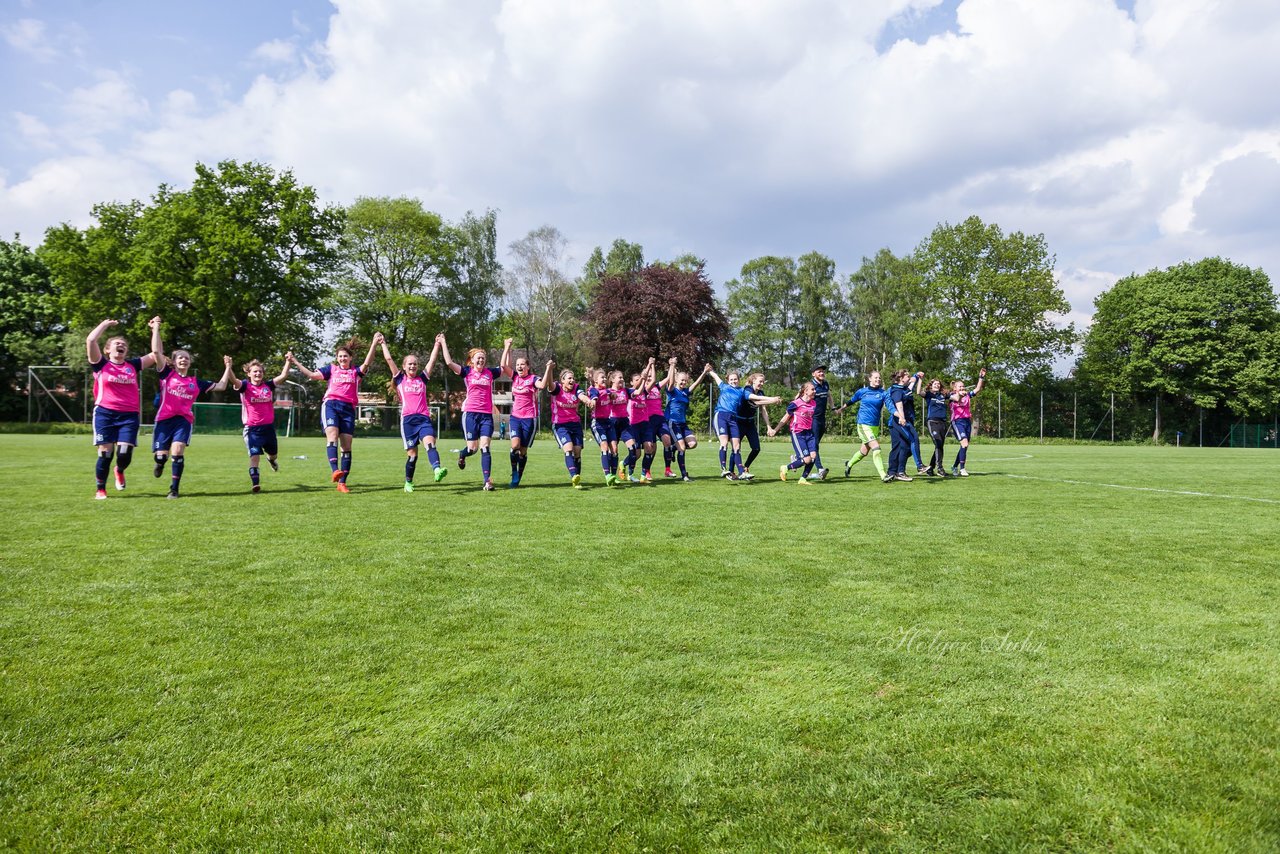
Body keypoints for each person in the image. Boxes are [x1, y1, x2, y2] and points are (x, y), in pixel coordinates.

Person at [150, 323, 234, 498]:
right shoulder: (167, 374)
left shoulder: (196, 382)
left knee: (178, 451)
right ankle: (160, 463)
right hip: (164, 420)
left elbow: (221, 385)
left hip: (183, 421)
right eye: (180, 357)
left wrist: (228, 367)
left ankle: (174, 489)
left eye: (187, 357)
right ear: (174, 361)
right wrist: (156, 329)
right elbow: (157, 352)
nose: (184, 359)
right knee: (161, 457)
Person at [290, 334, 382, 493]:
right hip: (331, 405)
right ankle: (335, 470)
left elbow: (368, 361)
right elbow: (312, 375)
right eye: (340, 356)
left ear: (350, 357)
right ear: (337, 358)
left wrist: (374, 343)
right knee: (332, 437)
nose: (342, 358)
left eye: (345, 356)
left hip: (348, 409)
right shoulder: (331, 369)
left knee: (346, 446)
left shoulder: (355, 372)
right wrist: (295, 362)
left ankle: (342, 483)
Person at [86, 316, 162, 499]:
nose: (121, 346)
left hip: (129, 415)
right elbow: (90, 340)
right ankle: (100, 489)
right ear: (107, 350)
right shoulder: (101, 364)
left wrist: (155, 330)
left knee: (124, 454)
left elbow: (156, 354)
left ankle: (119, 470)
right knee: (105, 454)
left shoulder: (133, 366)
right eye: (117, 343)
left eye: (124, 345)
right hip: (105, 413)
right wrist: (104, 324)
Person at [441, 335, 513, 491]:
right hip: (470, 414)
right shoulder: (466, 372)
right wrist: (443, 342)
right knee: (472, 449)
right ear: (471, 360)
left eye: (483, 358)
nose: (481, 360)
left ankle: (487, 481)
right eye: (478, 358)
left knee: (485, 447)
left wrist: (507, 347)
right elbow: (449, 362)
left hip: (486, 415)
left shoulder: (490, 373)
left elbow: (503, 367)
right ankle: (462, 454)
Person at [381, 335, 446, 492]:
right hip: (408, 421)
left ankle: (437, 470)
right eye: (410, 364)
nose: (413, 366)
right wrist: (383, 343)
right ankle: (408, 482)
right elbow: (389, 360)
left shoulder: (422, 379)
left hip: (423, 419)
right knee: (412, 455)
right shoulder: (399, 380)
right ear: (404, 366)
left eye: (415, 364)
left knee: (430, 444)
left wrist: (437, 344)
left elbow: (431, 361)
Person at [706, 366, 781, 480]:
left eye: (735, 379)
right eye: (731, 379)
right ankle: (725, 469)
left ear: (739, 379)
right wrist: (710, 371)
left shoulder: (742, 391)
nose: (733, 381)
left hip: (736, 419)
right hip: (723, 416)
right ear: (728, 380)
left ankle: (742, 471)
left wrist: (772, 401)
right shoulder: (725, 387)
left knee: (737, 446)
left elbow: (755, 399)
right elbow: (716, 377)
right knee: (725, 443)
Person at [230, 354, 291, 492]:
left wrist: (288, 361)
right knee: (255, 456)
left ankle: (271, 460)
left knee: (273, 454)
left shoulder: (268, 386)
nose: (258, 373)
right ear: (249, 373)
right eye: (255, 371)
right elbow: (233, 380)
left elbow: (283, 375)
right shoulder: (245, 386)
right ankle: (255, 483)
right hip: (252, 429)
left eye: (260, 371)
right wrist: (229, 367)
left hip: (268, 429)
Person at [542, 362, 592, 488]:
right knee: (568, 449)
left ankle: (577, 479)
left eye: (573, 378)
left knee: (577, 451)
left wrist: (588, 401)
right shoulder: (557, 388)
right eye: (569, 378)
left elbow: (582, 396)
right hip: (560, 425)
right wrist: (550, 369)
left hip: (575, 424)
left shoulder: (576, 388)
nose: (572, 380)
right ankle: (573, 475)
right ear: (562, 380)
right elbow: (549, 384)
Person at [835, 371, 889, 481]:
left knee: (864, 452)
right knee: (876, 448)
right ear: (870, 379)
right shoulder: (862, 391)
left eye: (879, 378)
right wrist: (841, 409)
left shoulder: (883, 393)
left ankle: (849, 464)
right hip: (863, 424)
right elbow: (851, 401)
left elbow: (889, 405)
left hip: (875, 426)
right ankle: (883, 475)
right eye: (875, 377)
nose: (878, 379)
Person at [663, 360, 709, 482]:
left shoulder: (685, 392)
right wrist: (672, 366)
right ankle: (684, 475)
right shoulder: (672, 391)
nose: (684, 382)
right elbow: (671, 381)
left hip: (683, 424)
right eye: (681, 380)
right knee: (682, 448)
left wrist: (704, 372)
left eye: (685, 380)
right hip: (673, 423)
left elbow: (697, 383)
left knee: (693, 444)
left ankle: (674, 448)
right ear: (677, 380)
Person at [768, 381, 819, 484]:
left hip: (809, 433)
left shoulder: (814, 403)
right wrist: (775, 430)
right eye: (812, 389)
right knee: (807, 459)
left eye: (815, 389)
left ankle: (803, 479)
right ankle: (785, 468)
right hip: (798, 433)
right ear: (805, 391)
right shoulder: (795, 404)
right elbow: (786, 417)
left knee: (813, 456)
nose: (815, 391)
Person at [506, 352, 540, 488]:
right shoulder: (514, 377)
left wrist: (549, 369)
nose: (519, 366)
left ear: (528, 366)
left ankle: (519, 476)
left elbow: (542, 385)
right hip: (515, 417)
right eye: (517, 364)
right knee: (515, 446)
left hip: (530, 418)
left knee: (523, 451)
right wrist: (507, 348)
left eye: (522, 364)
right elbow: (503, 365)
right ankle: (514, 472)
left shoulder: (533, 379)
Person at [885, 369, 924, 482]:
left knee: (905, 448)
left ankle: (898, 472)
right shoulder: (897, 390)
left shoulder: (905, 388)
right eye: (907, 375)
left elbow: (913, 382)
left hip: (905, 420)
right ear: (901, 378)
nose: (909, 377)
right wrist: (902, 418)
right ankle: (918, 466)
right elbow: (899, 406)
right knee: (910, 441)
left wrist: (917, 375)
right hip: (898, 421)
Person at [622, 361, 657, 483]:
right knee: (636, 454)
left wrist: (651, 365)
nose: (639, 381)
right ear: (631, 382)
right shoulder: (629, 392)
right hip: (633, 425)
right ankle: (626, 467)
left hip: (645, 424)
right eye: (635, 379)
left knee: (649, 448)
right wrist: (645, 371)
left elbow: (652, 381)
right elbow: (641, 383)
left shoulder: (644, 392)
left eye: (640, 379)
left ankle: (643, 476)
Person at [949, 368, 987, 476]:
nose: (962, 387)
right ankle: (962, 469)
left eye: (963, 386)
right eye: (959, 386)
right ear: (955, 388)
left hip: (966, 421)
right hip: (957, 422)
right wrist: (961, 394)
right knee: (964, 443)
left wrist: (981, 377)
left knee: (964, 446)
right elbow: (958, 399)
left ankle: (954, 467)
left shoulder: (967, 395)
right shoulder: (952, 396)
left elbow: (978, 388)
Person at [587, 368, 620, 485]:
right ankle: (607, 475)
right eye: (602, 377)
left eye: (605, 377)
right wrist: (593, 402)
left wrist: (613, 396)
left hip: (608, 422)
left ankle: (614, 476)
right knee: (604, 446)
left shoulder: (607, 391)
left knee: (614, 448)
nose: (605, 379)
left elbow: (613, 395)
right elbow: (594, 397)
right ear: (596, 381)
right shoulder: (593, 390)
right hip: (598, 423)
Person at [922, 378, 952, 477]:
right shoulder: (929, 395)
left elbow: (956, 398)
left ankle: (930, 469)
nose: (937, 385)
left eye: (938, 384)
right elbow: (918, 392)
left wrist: (959, 392)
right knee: (938, 442)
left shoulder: (943, 395)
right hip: (932, 422)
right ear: (931, 385)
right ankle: (940, 468)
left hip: (942, 423)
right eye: (935, 384)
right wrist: (919, 379)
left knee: (939, 446)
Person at [809, 365, 832, 479]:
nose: (822, 373)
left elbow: (829, 395)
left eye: (823, 371)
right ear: (813, 374)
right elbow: (799, 397)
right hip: (812, 419)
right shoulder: (810, 386)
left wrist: (832, 407)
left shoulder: (825, 384)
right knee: (814, 444)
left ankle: (798, 459)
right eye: (819, 372)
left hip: (822, 418)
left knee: (814, 445)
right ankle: (820, 469)